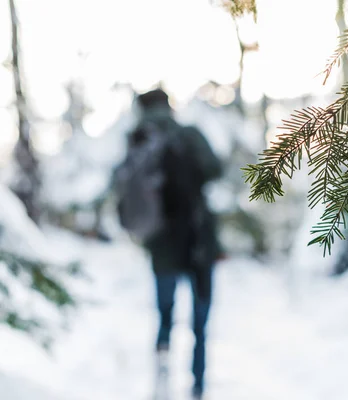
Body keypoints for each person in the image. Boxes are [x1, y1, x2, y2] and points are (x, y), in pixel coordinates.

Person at [130, 89, 223, 399]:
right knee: (199, 324)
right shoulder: (189, 135)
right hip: (198, 240)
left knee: (165, 313)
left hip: (161, 244)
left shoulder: (139, 140)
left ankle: (162, 374)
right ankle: (197, 385)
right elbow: (215, 169)